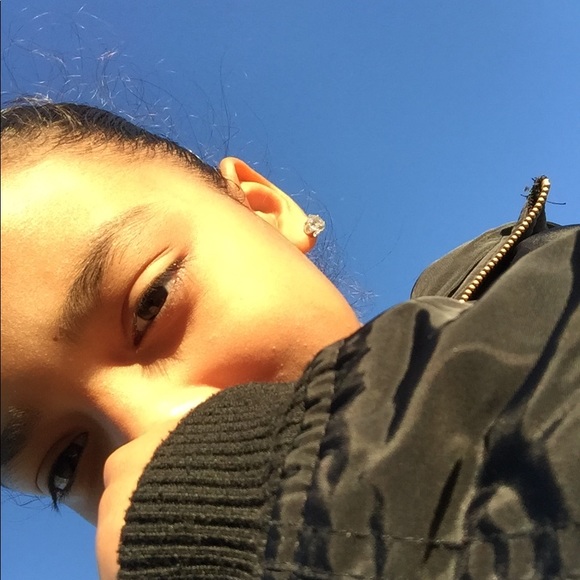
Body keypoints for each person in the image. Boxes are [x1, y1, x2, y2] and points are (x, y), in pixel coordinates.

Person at [1, 100, 578, 579]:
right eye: (66, 462)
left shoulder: (542, 280)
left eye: (152, 302)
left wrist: (270, 512)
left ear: (263, 208)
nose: (158, 431)